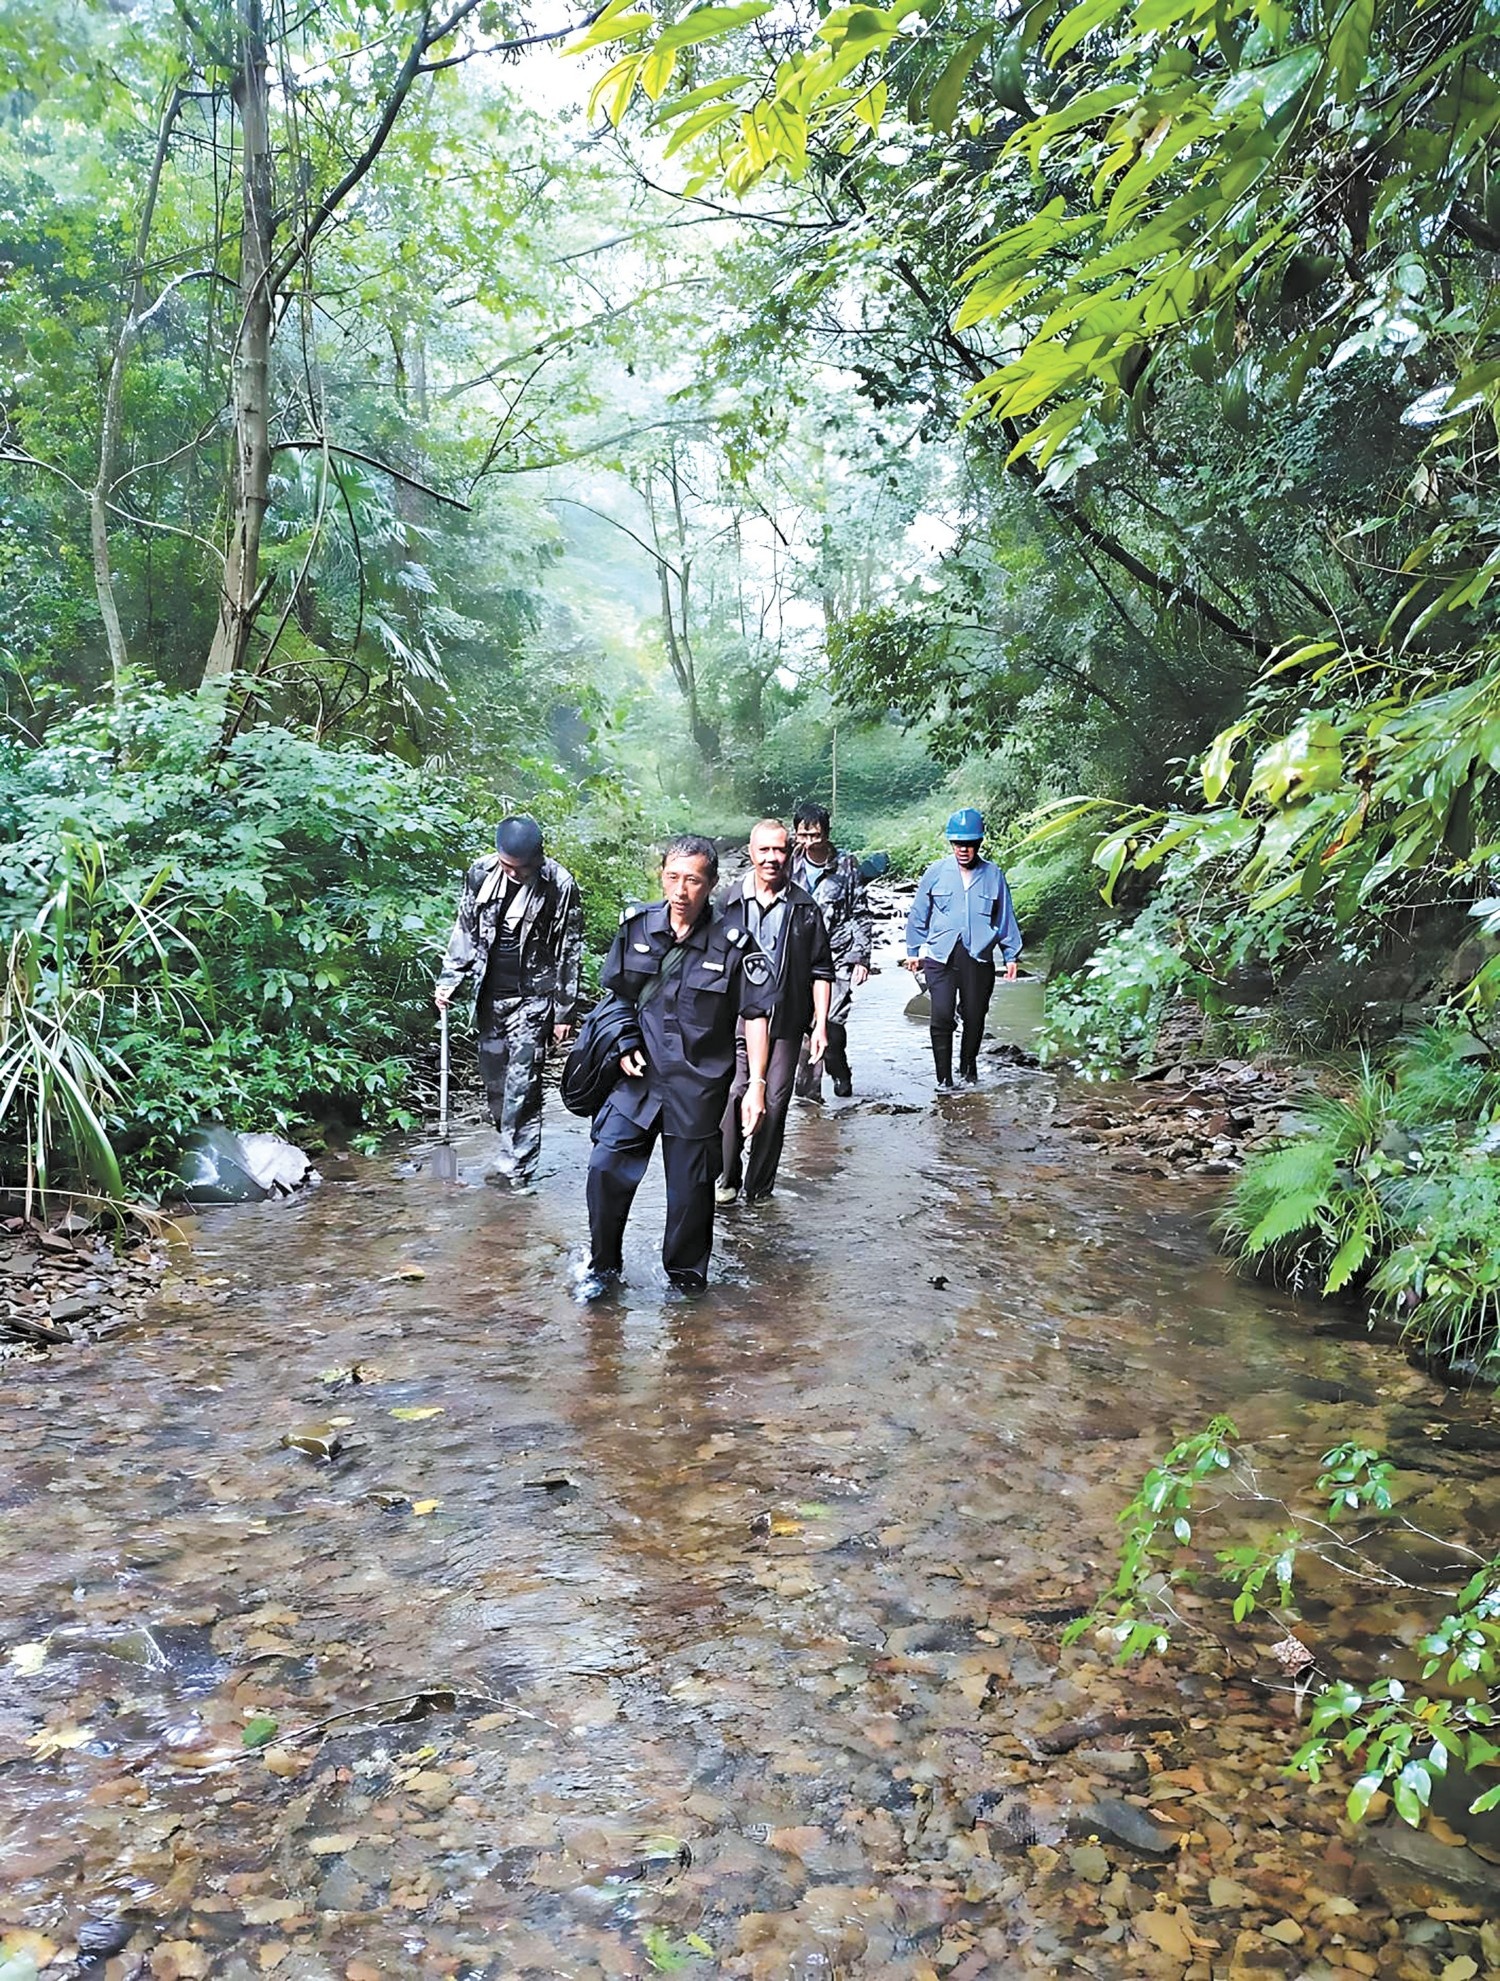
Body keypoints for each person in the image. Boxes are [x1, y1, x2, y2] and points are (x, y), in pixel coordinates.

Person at [581, 835, 774, 1300]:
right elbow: (618, 997)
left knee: (690, 1196)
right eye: (672, 877)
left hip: (697, 1087)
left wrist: (757, 1086)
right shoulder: (637, 927)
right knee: (605, 1168)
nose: (680, 891)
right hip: (638, 1080)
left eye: (692, 880)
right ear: (661, 877)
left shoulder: (733, 943)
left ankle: (686, 1285)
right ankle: (603, 1267)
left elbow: (755, 1015)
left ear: (710, 884)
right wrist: (624, 1041)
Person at [435, 814, 583, 1188]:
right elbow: (465, 927)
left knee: (523, 1084)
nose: (514, 874)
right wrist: (450, 979)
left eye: (522, 868)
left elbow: (569, 949)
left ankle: (515, 1168)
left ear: (538, 858)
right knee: (496, 1085)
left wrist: (564, 1010)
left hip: (533, 999)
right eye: (507, 866)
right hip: (489, 994)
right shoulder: (481, 873)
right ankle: (510, 1142)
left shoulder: (559, 885)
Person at [716, 819, 833, 1205]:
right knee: (734, 1093)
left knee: (776, 1102)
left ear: (790, 852)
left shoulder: (805, 908)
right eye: (764, 850)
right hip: (733, 1019)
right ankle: (727, 1178)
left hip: (786, 1020)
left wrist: (819, 1026)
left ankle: (758, 1188)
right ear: (751, 853)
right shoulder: (727, 903)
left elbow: (821, 969)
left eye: (779, 850)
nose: (772, 858)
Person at [903, 807, 1022, 1091]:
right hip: (940, 956)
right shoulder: (935, 872)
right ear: (951, 843)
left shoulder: (994, 875)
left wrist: (1011, 954)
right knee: (941, 1014)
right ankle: (944, 1080)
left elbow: (1005, 916)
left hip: (978, 956)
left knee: (975, 1014)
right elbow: (919, 913)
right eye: (958, 843)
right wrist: (912, 949)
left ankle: (968, 1069)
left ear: (979, 843)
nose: (963, 849)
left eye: (969, 843)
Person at [790, 800, 873, 1100]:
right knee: (801, 1026)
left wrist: (861, 956)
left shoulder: (846, 865)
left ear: (827, 833)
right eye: (803, 835)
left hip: (836, 954)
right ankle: (809, 1097)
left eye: (816, 835)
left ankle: (839, 1069)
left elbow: (860, 912)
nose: (810, 842)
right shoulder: (788, 862)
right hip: (796, 956)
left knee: (830, 1023)